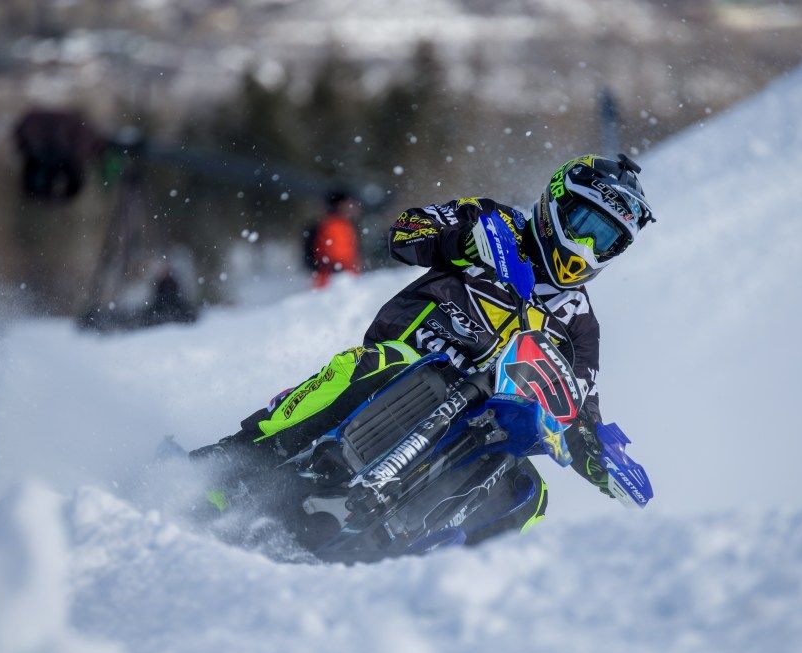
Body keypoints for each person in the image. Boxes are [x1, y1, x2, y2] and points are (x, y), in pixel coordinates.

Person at [194, 154, 655, 544]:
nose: (589, 246)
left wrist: (601, 460)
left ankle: (435, 573)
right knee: (378, 366)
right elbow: (405, 232)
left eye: (607, 240)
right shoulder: (496, 225)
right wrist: (461, 238)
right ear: (558, 202)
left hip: (477, 422)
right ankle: (226, 467)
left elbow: (576, 405)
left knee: (530, 496)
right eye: (585, 224)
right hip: (406, 366)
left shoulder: (580, 327)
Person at [304, 190, 363, 288]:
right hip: (333, 283)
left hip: (337, 281)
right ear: (340, 205)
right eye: (349, 203)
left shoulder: (344, 225)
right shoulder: (333, 226)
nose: (353, 207)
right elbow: (337, 257)